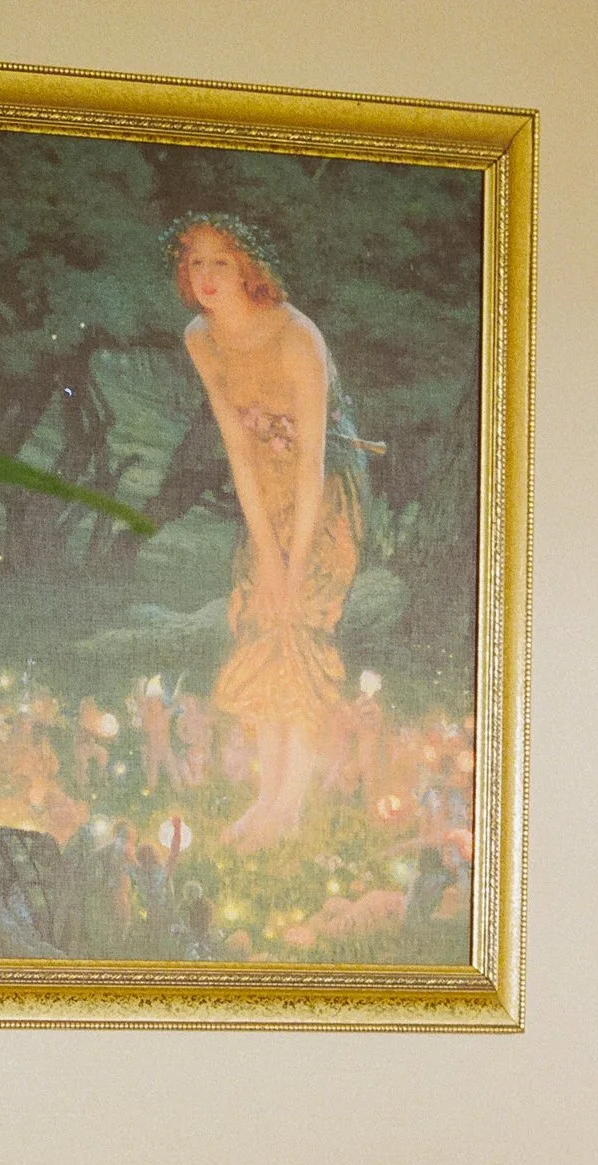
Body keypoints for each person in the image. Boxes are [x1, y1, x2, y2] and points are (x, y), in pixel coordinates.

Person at [167, 214, 376, 849]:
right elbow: (238, 447)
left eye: (221, 262)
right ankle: (266, 798)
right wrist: (264, 551)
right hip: (264, 492)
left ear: (247, 269)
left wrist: (294, 562)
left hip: (323, 499)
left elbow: (312, 463)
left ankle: (292, 804)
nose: (206, 277)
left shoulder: (295, 336)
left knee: (299, 625)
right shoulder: (201, 338)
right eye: (195, 263)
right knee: (261, 622)